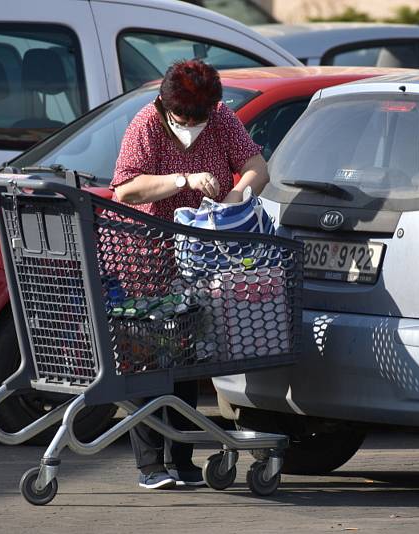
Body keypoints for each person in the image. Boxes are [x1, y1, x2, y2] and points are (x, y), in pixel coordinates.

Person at [111, 59, 269, 490]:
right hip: (147, 258)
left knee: (184, 358)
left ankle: (181, 461)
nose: (193, 125)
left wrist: (236, 197)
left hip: (201, 259)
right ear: (166, 106)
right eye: (185, 118)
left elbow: (257, 165)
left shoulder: (219, 119)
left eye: (200, 117)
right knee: (146, 357)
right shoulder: (145, 123)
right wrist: (183, 179)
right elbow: (125, 188)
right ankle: (150, 466)